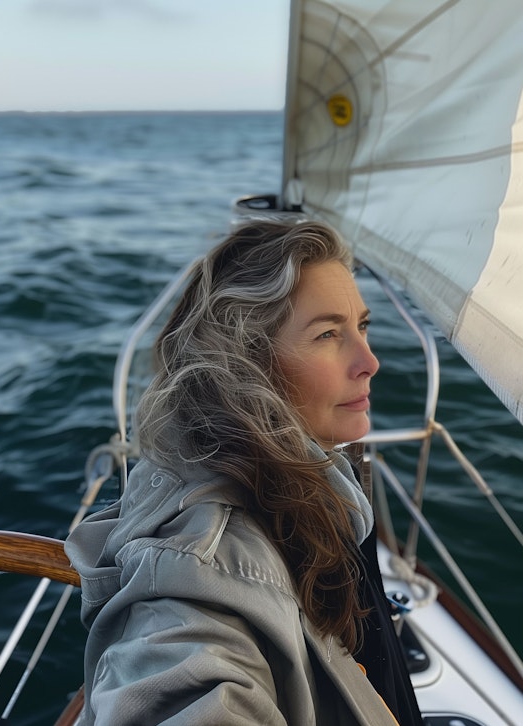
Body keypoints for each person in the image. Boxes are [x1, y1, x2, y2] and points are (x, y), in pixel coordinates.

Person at [65, 220, 423, 725]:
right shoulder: (199, 567)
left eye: (361, 327)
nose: (370, 361)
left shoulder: (302, 482)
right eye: (327, 334)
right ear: (247, 360)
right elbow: (180, 671)